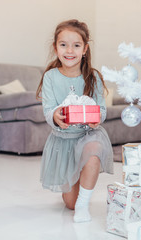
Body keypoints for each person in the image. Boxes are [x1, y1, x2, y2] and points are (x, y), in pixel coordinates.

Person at [36, 19, 113, 223]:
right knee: (69, 202)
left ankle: (83, 203)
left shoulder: (93, 77)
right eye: (63, 45)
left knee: (95, 147)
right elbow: (48, 109)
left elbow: (101, 109)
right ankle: (75, 195)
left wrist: (97, 119)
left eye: (76, 45)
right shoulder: (51, 77)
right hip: (63, 142)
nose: (69, 50)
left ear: (85, 49)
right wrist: (55, 115)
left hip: (86, 135)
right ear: (56, 48)